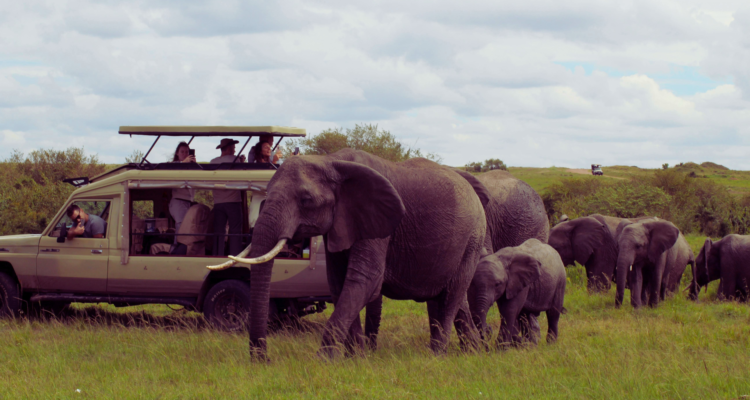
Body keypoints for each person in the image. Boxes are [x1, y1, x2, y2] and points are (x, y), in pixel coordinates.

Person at [210, 138, 245, 256]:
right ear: (229, 148)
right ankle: (235, 257)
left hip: (218, 202)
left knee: (219, 232)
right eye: (234, 148)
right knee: (235, 231)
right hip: (233, 201)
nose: (234, 150)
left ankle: (217, 255)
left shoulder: (213, 162)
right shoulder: (235, 160)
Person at [170, 142, 196, 248]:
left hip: (189, 202)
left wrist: (195, 165)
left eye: (187, 152)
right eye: (182, 152)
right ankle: (177, 249)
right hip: (178, 201)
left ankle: (185, 248)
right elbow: (170, 174)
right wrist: (183, 163)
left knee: (189, 228)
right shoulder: (173, 165)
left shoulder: (191, 167)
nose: (185, 154)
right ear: (177, 153)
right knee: (181, 227)